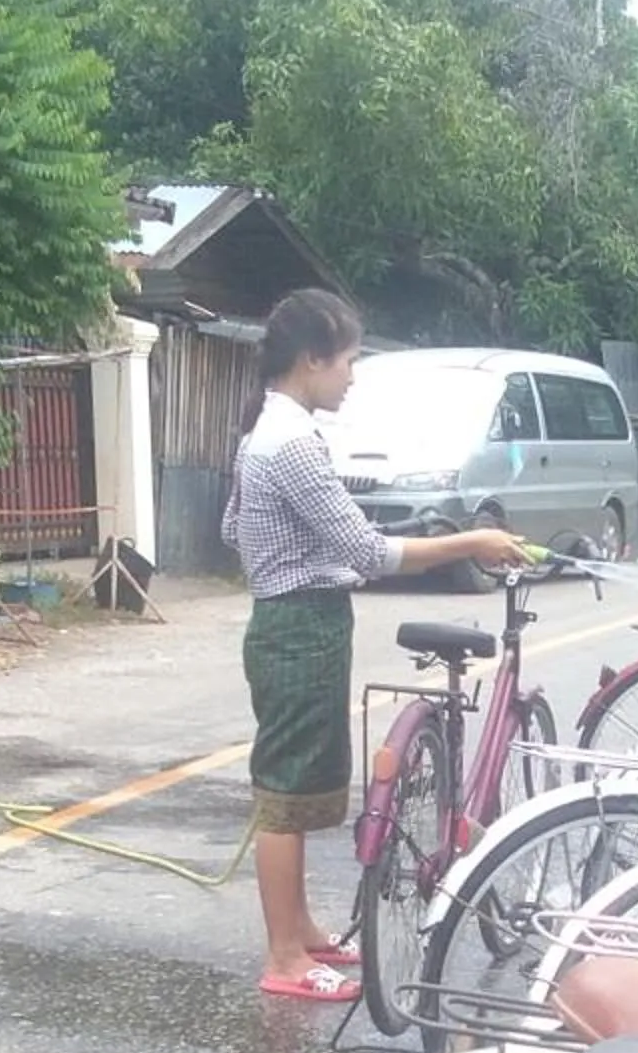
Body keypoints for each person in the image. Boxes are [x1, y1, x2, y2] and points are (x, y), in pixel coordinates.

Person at [223, 291, 522, 1002]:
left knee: (300, 785)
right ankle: (285, 959)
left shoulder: (272, 429)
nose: (353, 377)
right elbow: (364, 547)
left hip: (300, 619)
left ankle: (300, 931)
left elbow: (235, 527)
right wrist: (471, 542)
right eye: (349, 361)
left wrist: (288, 551)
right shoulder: (289, 441)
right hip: (297, 622)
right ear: (312, 360)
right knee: (284, 796)